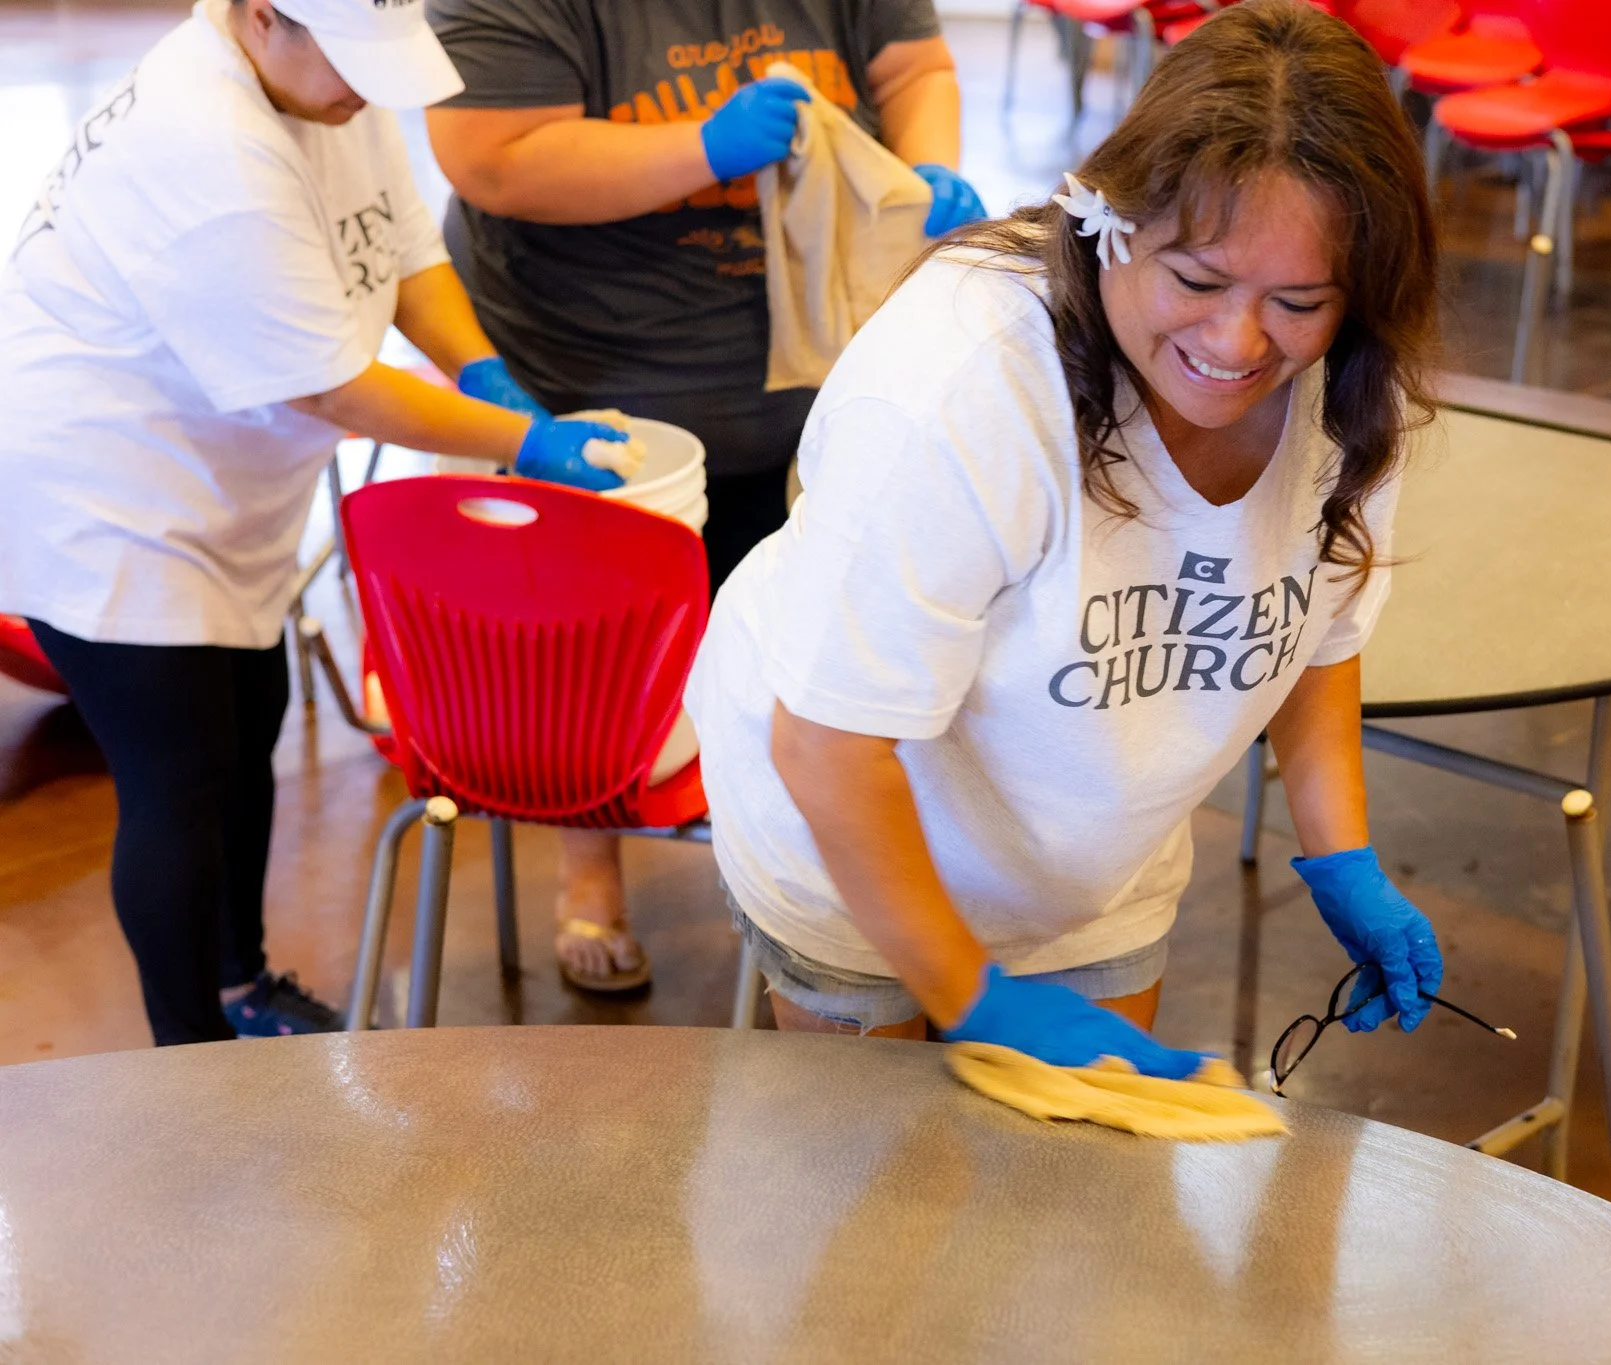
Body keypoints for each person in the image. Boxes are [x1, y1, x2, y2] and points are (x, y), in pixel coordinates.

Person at [685, 0, 1446, 1072]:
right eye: (1194, 280)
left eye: (1297, 301)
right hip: (859, 849)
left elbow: (1313, 633)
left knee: (1070, 1207)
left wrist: (1342, 859)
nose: (1236, 342)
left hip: (1092, 861)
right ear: (1107, 220)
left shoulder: (1344, 394)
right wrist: (969, 996)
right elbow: (827, 745)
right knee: (870, 1209)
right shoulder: (964, 384)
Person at [0, 0, 638, 1046]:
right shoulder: (207, 148)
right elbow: (331, 388)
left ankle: (240, 987)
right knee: (178, 774)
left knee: (248, 722)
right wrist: (515, 441)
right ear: (263, 19)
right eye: (349, 64)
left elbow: (398, 250)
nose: (361, 89)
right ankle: (189, 1055)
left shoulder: (330, 80)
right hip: (104, 488)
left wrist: (481, 367)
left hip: (213, 467)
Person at [422, 0, 981, 993]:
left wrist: (924, 165)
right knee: (591, 664)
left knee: (779, 652)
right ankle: (587, 865)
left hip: (795, 370)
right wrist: (702, 149)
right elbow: (493, 158)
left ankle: (777, 874)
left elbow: (910, 71)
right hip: (587, 380)